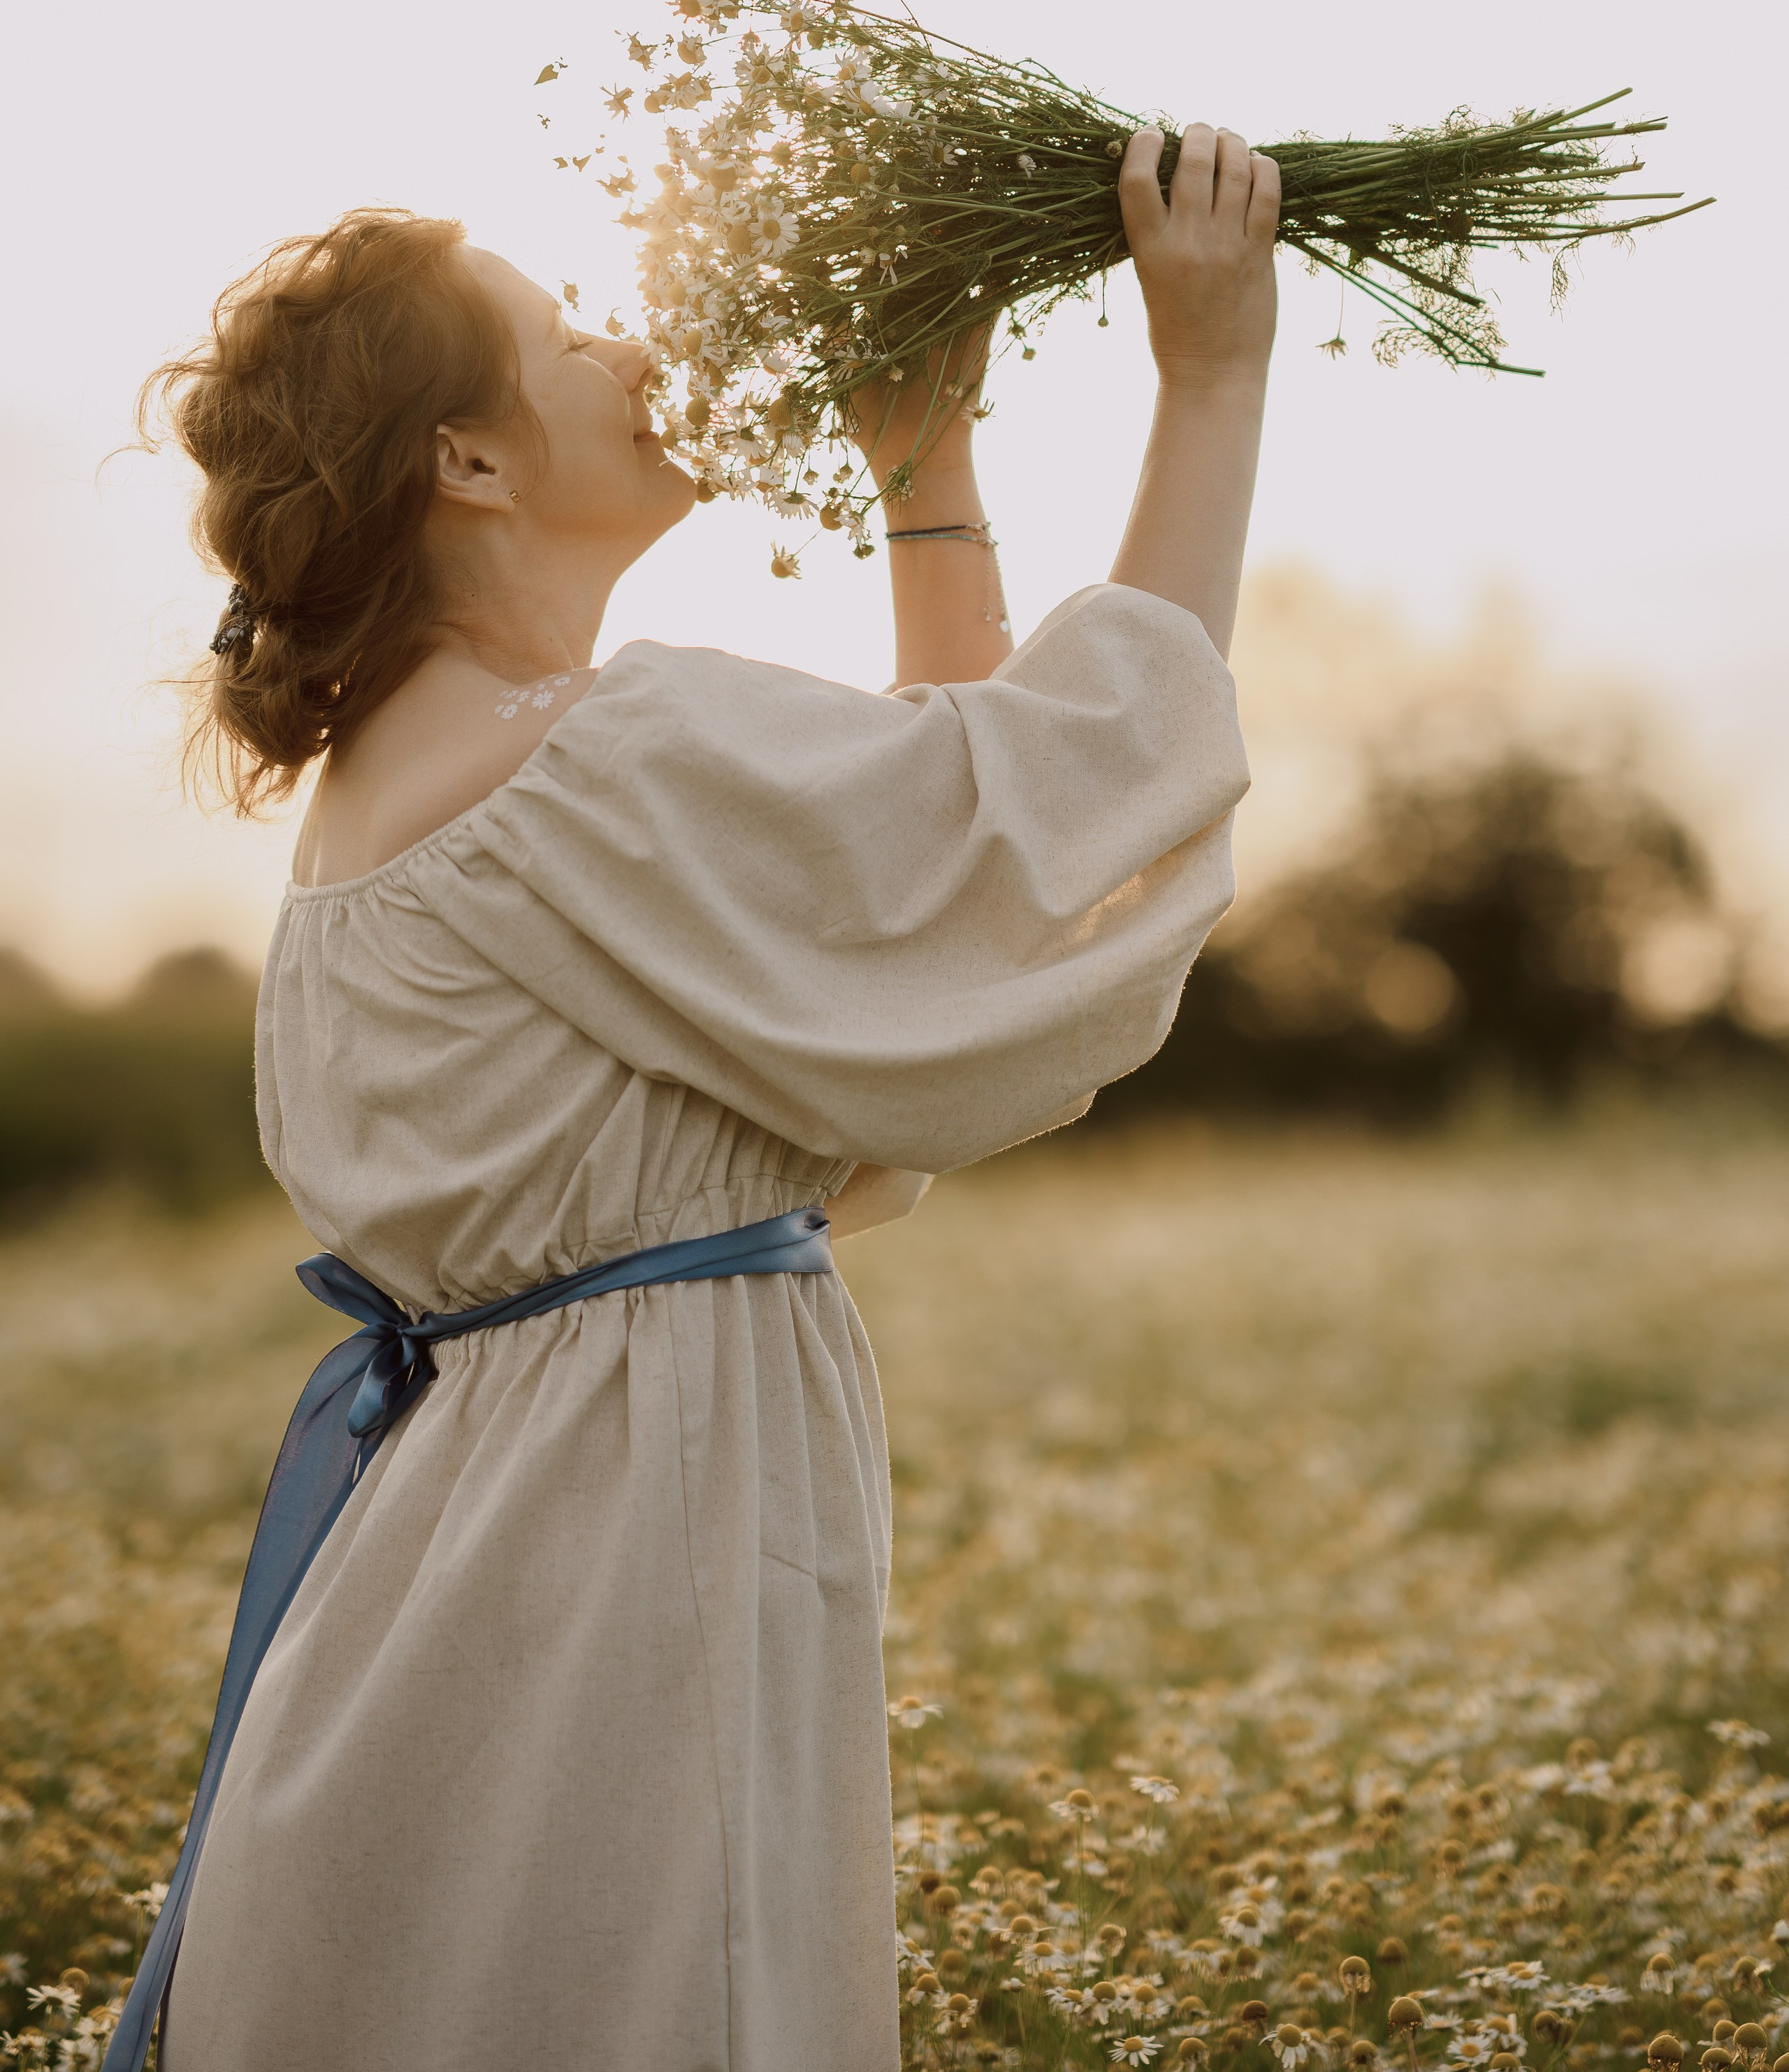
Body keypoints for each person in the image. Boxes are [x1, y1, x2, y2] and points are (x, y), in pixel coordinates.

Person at [132, 122, 1278, 2071]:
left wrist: (930, 476)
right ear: (470, 462)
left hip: (480, 1577)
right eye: (570, 334)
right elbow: (1043, 824)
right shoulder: (578, 762)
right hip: (609, 1581)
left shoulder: (418, 781)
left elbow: (920, 895)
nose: (634, 347)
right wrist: (1216, 375)